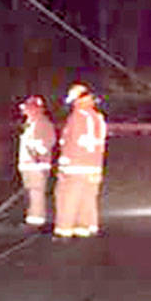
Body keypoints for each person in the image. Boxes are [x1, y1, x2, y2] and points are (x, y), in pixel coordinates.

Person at [54, 83, 107, 239]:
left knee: (67, 196)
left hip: (74, 165)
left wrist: (63, 164)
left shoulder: (77, 116)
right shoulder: (98, 118)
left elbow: (71, 141)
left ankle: (64, 229)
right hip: (94, 165)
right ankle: (85, 227)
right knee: (87, 197)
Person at [17, 94, 56, 228]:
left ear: (35, 109)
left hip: (36, 166)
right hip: (28, 165)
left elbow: (47, 144)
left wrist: (36, 152)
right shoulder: (30, 124)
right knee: (31, 193)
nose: (24, 111)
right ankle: (32, 217)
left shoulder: (43, 124)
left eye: (27, 108)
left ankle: (36, 221)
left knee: (36, 193)